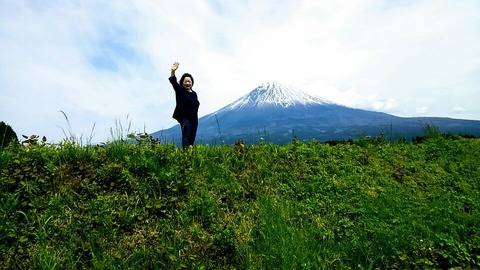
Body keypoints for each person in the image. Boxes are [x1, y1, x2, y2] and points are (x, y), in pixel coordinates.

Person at [168, 62, 200, 149]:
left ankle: (190, 155)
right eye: (185, 81)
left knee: (192, 138)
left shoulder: (194, 94)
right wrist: (173, 71)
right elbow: (174, 82)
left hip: (194, 120)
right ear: (182, 82)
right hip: (185, 118)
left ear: (192, 83)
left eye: (189, 81)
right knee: (186, 136)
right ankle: (185, 155)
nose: (187, 83)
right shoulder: (180, 91)